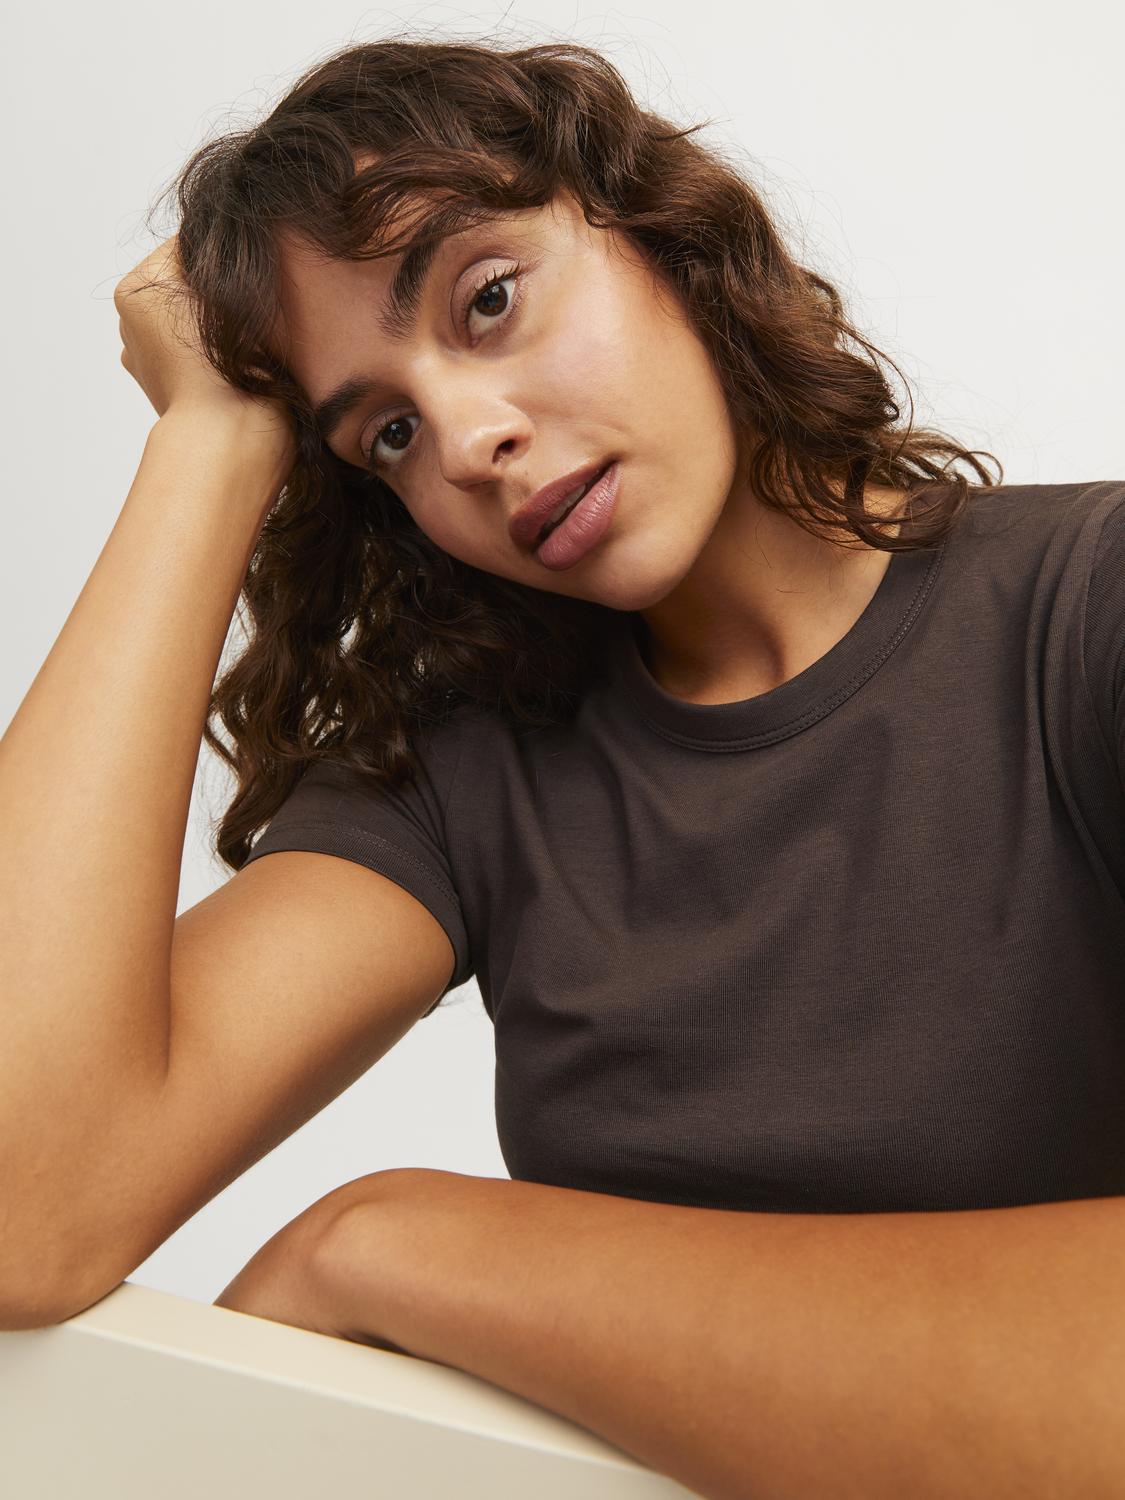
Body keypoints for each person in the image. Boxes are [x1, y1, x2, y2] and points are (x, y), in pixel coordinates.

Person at [3, 35, 1123, 1336]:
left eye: (487, 300)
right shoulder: (467, 768)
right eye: (388, 432)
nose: (469, 443)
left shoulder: (1085, 612)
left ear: (658, 231)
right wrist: (212, 434)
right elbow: (26, 1209)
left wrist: (396, 1252)